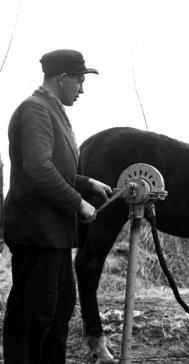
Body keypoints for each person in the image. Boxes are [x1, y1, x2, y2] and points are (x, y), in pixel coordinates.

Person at [2, 49, 112, 364]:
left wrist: (86, 183)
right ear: (61, 78)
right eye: (78, 81)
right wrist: (79, 204)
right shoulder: (35, 110)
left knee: (60, 306)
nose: (81, 89)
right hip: (37, 231)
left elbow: (52, 167)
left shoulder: (51, 108)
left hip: (54, 233)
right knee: (32, 314)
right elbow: (37, 170)